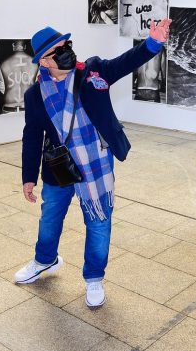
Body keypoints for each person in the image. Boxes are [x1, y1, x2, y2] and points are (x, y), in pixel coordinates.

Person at [15, 19, 171, 308]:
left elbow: (126, 62)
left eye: (66, 46)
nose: (66, 52)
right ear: (45, 61)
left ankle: (94, 278)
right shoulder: (35, 95)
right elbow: (32, 136)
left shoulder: (92, 71)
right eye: (57, 50)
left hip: (96, 165)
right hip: (59, 167)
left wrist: (152, 43)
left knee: (99, 222)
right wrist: (28, 177)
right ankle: (44, 260)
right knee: (50, 218)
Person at [0, 39, 38, 113]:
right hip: (28, 106)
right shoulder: (35, 63)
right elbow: (38, 86)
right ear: (25, 46)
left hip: (9, 106)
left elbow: (2, 88)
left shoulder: (4, 64)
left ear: (13, 46)